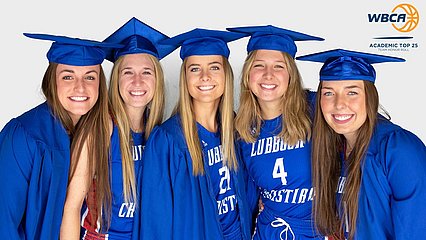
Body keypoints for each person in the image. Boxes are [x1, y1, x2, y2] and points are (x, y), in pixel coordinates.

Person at [60, 17, 176, 239]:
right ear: (116, 80)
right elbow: (71, 207)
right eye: (128, 72)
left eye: (146, 72)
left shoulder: (159, 134)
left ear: (157, 80)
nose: (137, 81)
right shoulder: (102, 128)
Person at [0, 33, 120, 239]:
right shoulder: (24, 135)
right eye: (68, 76)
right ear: (52, 81)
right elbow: (4, 221)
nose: (80, 87)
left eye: (90, 76)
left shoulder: (99, 131)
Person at [297, 49, 426, 239]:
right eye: (329, 93)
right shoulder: (334, 148)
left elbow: (416, 231)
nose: (340, 104)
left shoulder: (398, 150)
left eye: (352, 92)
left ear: (370, 97)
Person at [139, 28, 251, 240]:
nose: (205, 77)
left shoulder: (236, 128)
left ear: (226, 74)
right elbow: (156, 223)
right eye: (195, 69)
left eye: (214, 67)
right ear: (185, 78)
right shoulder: (167, 140)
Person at [227, 25, 324, 239]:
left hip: (317, 233)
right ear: (248, 75)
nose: (268, 75)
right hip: (268, 232)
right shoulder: (241, 131)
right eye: (259, 65)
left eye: (278, 66)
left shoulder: (317, 108)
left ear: (290, 74)